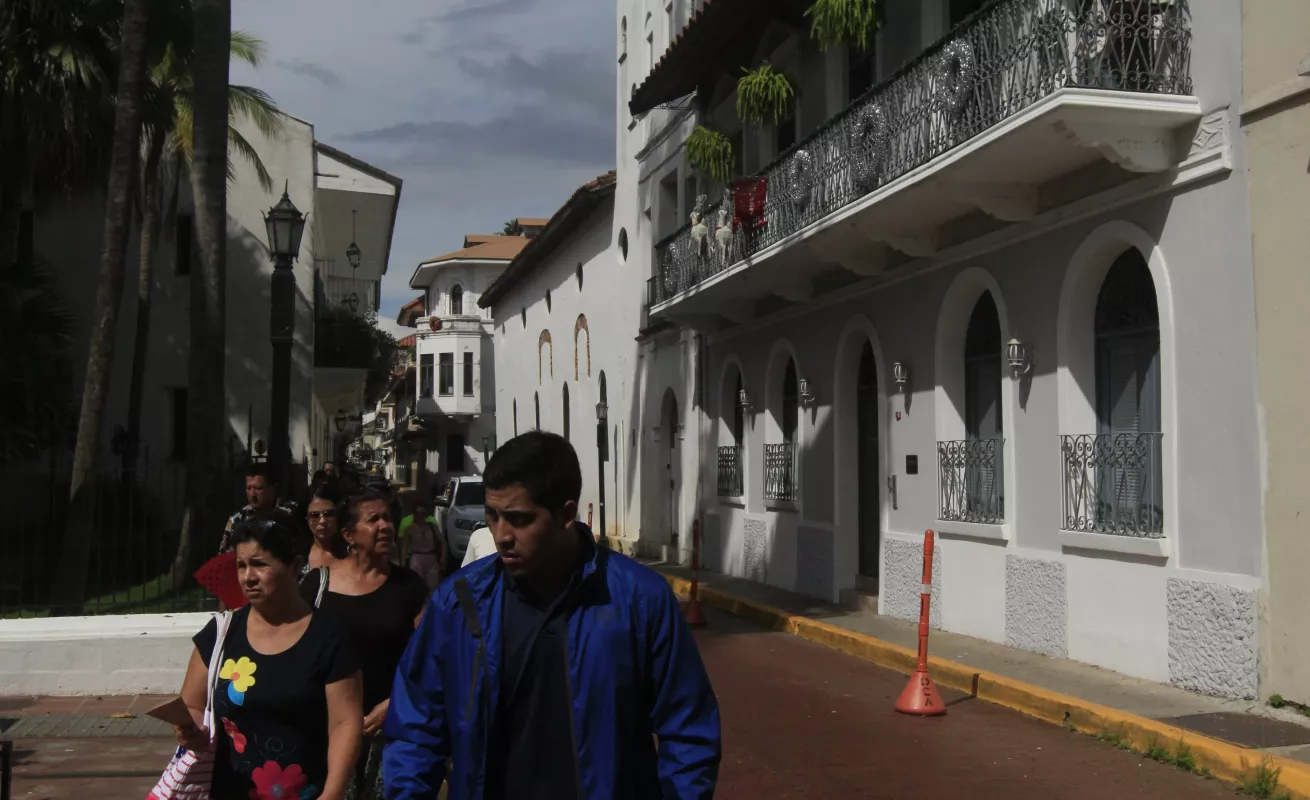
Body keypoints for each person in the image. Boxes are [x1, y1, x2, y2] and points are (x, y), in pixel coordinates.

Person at [383, 431, 721, 799]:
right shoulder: (459, 602)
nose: (501, 535)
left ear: (565, 513)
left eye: (518, 519)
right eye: (492, 516)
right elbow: (416, 727)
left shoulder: (639, 600)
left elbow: (688, 730)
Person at [175, 517, 363, 799]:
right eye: (241, 565)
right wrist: (192, 729)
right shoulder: (222, 633)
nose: (248, 577)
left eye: (260, 564)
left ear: (296, 567)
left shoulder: (329, 637)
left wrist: (333, 793)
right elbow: (192, 702)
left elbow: (345, 724)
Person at [300, 491, 429, 800]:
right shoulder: (318, 584)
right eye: (373, 519)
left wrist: (391, 705)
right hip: (325, 728)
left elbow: (429, 656)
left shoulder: (409, 586)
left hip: (388, 729)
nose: (385, 525)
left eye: (388, 518)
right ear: (348, 534)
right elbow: (297, 649)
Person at [219, 463, 296, 555]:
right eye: (248, 488)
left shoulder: (291, 513)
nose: (252, 494)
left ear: (274, 488)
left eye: (258, 488)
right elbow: (224, 556)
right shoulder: (238, 519)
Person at [398, 500, 446, 586]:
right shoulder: (409, 529)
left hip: (431, 558)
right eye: (417, 513)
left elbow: (443, 542)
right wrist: (403, 562)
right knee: (417, 585)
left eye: (423, 513)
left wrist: (443, 557)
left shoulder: (432, 526)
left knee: (433, 585)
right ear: (414, 514)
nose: (420, 516)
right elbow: (404, 547)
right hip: (416, 559)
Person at [306, 482, 349, 575]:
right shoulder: (298, 555)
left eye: (328, 514)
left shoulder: (353, 553)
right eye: (314, 515)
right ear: (306, 519)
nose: (322, 521)